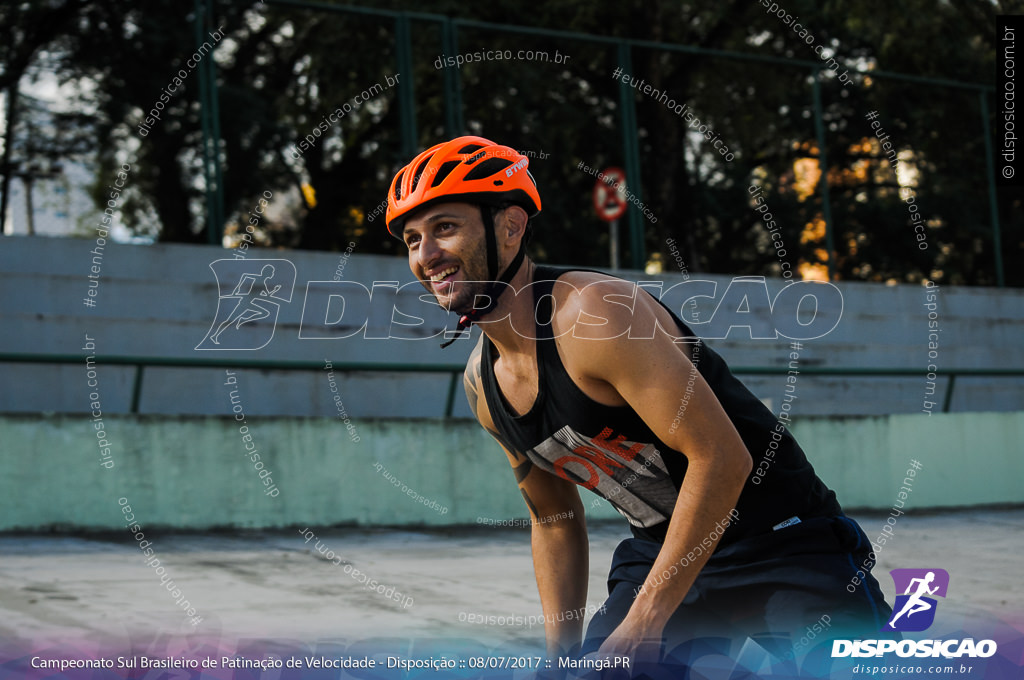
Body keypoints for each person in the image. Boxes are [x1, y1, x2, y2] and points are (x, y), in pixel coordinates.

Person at [384, 135, 891, 665]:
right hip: (662, 555)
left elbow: (721, 458)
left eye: (445, 227)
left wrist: (646, 620)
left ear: (510, 227)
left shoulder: (593, 313)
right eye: (413, 240)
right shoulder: (483, 387)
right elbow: (554, 519)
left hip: (781, 544)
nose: (427, 256)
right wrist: (561, 656)